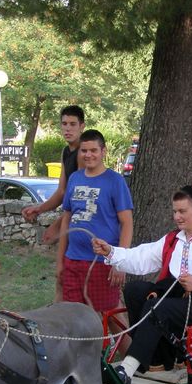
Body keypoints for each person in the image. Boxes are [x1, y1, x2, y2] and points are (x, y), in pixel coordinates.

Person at [91, 186, 192, 384]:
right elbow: (141, 257)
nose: (177, 217)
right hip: (178, 299)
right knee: (134, 290)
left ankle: (129, 366)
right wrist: (111, 252)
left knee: (158, 308)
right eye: (175, 211)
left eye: (182, 211)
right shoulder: (173, 239)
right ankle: (157, 360)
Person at [57, 129, 133, 312]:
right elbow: (66, 220)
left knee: (109, 314)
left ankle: (128, 342)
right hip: (73, 259)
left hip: (102, 261)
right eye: (84, 151)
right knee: (73, 315)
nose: (88, 155)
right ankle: (86, 343)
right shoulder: (75, 178)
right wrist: (60, 261)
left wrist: (120, 262)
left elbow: (127, 223)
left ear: (103, 151)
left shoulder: (115, 181)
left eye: (93, 150)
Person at [22, 106, 86, 244]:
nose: (68, 128)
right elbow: (62, 191)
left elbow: (81, 199)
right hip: (72, 220)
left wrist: (57, 226)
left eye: (73, 124)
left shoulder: (84, 153)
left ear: (82, 126)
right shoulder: (66, 151)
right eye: (64, 124)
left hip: (86, 223)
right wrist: (38, 209)